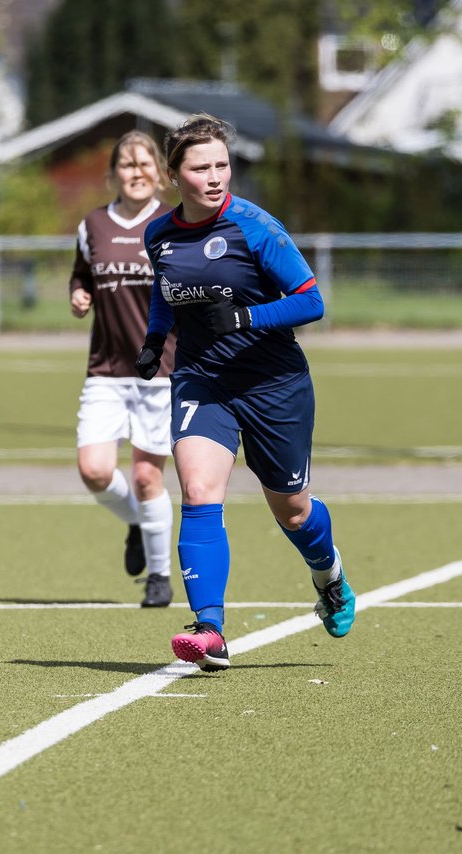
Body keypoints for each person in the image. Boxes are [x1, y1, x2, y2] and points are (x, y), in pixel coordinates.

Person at [135, 114, 355, 671]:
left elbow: (311, 301)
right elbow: (167, 292)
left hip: (273, 384)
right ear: (172, 174)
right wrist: (154, 338)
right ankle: (209, 630)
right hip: (201, 379)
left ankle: (329, 576)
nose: (214, 177)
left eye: (222, 165)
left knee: (295, 512)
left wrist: (248, 316)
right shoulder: (158, 234)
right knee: (199, 491)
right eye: (200, 167)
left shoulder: (255, 227)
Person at [69, 130, 177, 608]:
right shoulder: (92, 224)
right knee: (93, 470)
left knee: (147, 477)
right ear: (113, 175)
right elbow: (82, 272)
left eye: (145, 164)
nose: (137, 172)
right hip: (106, 371)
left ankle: (159, 576)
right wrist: (79, 293)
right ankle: (136, 520)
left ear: (161, 174)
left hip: (162, 371)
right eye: (127, 165)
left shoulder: (174, 224)